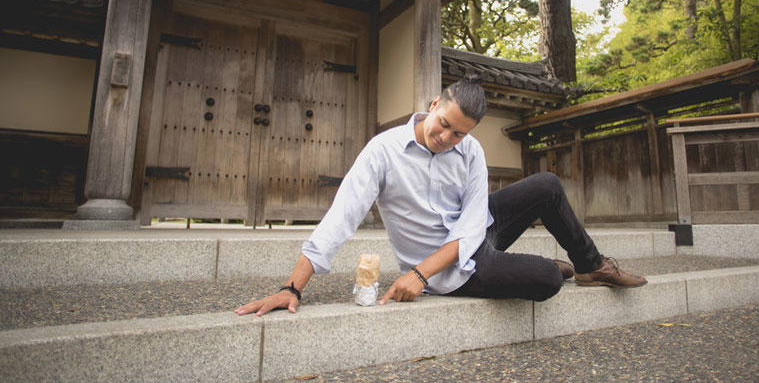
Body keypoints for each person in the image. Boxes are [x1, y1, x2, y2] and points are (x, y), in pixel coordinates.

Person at [235, 74, 646, 317]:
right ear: (433, 105)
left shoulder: (470, 151)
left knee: (548, 185)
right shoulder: (384, 150)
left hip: (474, 237)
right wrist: (293, 288)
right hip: (451, 269)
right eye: (443, 124)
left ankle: (591, 266)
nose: (446, 138)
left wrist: (417, 273)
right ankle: (551, 267)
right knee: (543, 279)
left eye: (459, 133)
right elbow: (341, 218)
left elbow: (471, 224)